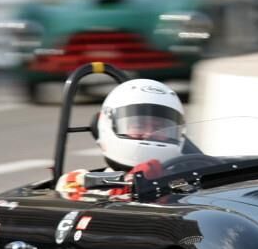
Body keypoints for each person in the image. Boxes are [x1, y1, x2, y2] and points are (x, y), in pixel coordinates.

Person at [56, 79, 186, 200]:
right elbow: (72, 186)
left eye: (159, 127)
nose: (149, 133)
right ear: (107, 125)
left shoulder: (182, 180)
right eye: (139, 126)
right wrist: (131, 184)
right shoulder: (77, 182)